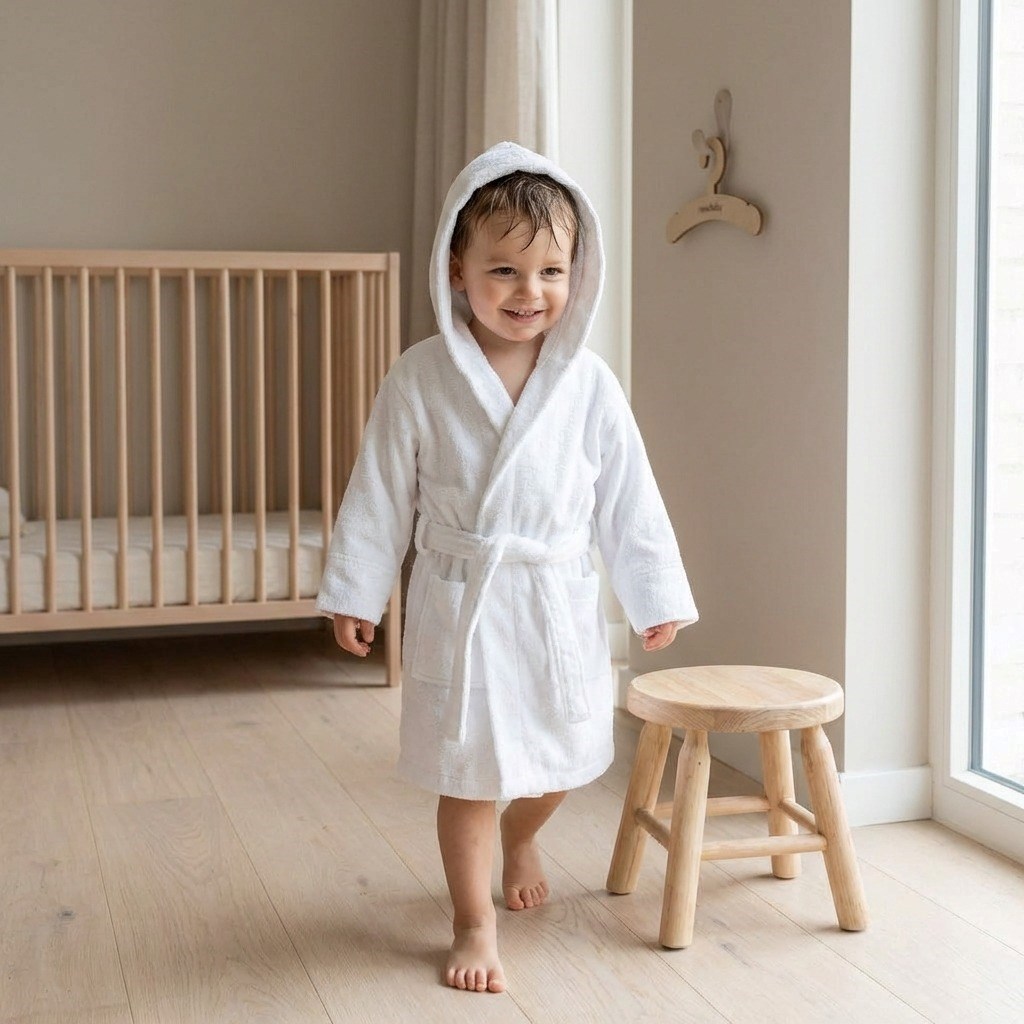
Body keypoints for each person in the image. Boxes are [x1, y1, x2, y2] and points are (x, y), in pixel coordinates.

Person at [317, 141, 698, 994]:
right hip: (463, 598)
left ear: (578, 273)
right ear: (456, 270)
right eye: (505, 270)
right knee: (467, 774)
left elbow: (628, 497)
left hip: (552, 597)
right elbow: (380, 490)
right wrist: (357, 591)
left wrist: (652, 594)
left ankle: (524, 835)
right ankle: (472, 920)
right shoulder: (420, 377)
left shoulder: (589, 383)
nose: (531, 292)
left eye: (552, 271)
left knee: (563, 759)